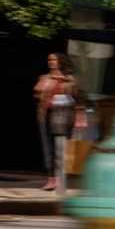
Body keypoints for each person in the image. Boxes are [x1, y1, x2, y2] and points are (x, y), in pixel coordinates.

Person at [34, 52, 78, 191]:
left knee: (62, 149)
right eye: (50, 60)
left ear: (61, 62)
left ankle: (62, 178)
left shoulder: (69, 79)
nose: (51, 62)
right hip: (47, 114)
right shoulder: (45, 77)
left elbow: (75, 95)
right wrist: (45, 87)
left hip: (64, 116)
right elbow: (37, 91)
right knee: (49, 148)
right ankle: (52, 179)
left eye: (54, 60)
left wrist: (63, 83)